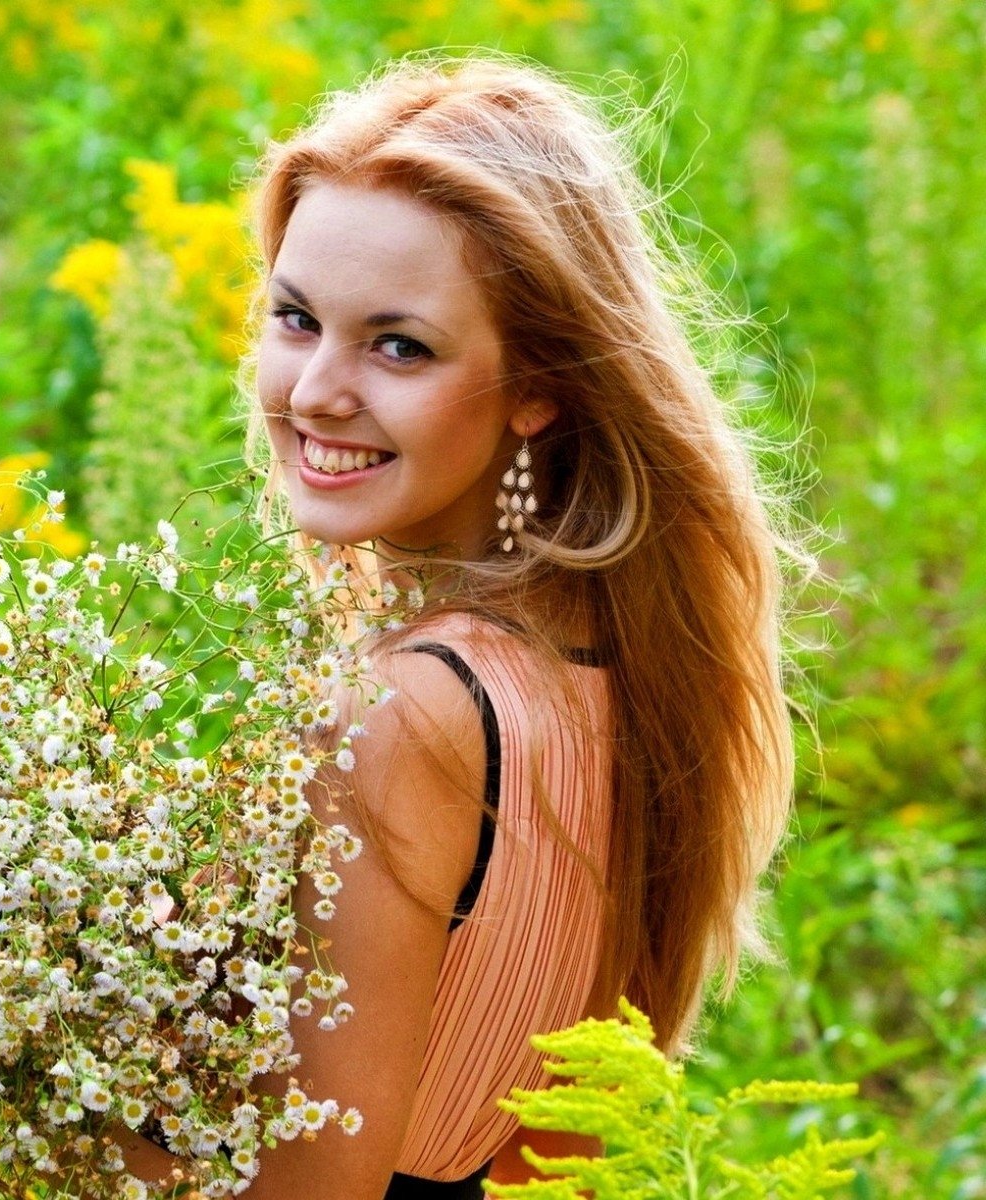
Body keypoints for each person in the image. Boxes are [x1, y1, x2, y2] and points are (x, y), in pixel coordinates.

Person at [110, 53, 799, 1198]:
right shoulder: (608, 665)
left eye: (399, 346)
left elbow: (308, 1189)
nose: (315, 391)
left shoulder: (406, 718)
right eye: (295, 318)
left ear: (538, 383)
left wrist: (7, 1088)